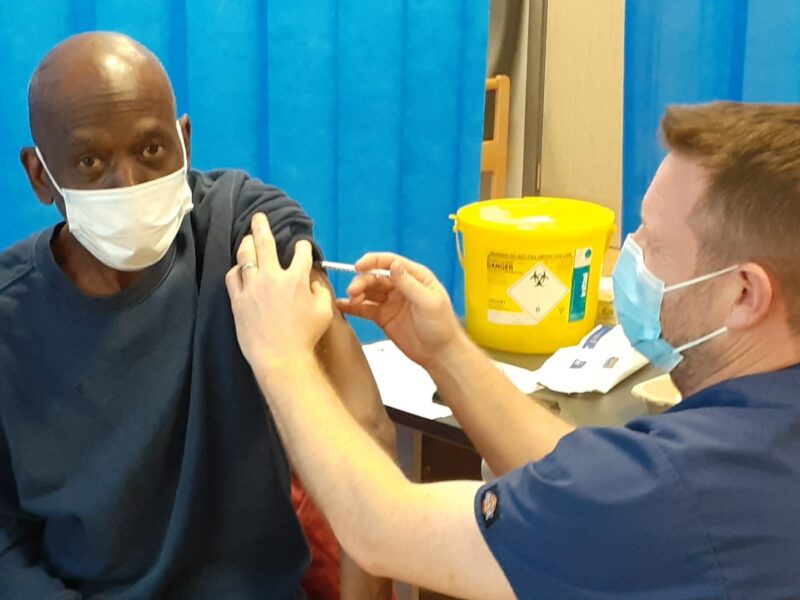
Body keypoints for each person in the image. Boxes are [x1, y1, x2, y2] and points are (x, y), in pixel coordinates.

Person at [226, 102, 800, 599]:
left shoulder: (688, 490)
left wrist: (281, 356)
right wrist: (445, 349)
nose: (630, 256)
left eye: (652, 241)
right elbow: (587, 487)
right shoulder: (754, 440)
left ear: (745, 293)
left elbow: (382, 531)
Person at [0, 32, 395, 599]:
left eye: (152, 150)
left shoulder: (239, 231)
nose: (129, 184)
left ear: (184, 141)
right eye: (90, 161)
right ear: (40, 176)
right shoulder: (10, 321)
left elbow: (365, 429)